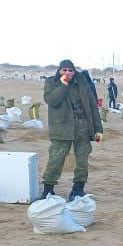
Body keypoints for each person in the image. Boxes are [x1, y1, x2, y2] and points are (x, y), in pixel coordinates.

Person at [41, 59, 103, 200]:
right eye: (64, 70)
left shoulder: (82, 83)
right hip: (62, 127)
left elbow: (92, 106)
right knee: (56, 158)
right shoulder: (52, 82)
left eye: (70, 70)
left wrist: (98, 129)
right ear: (59, 71)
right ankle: (48, 190)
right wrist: (63, 85)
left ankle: (78, 189)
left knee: (82, 159)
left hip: (83, 126)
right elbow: (51, 100)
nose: (68, 73)